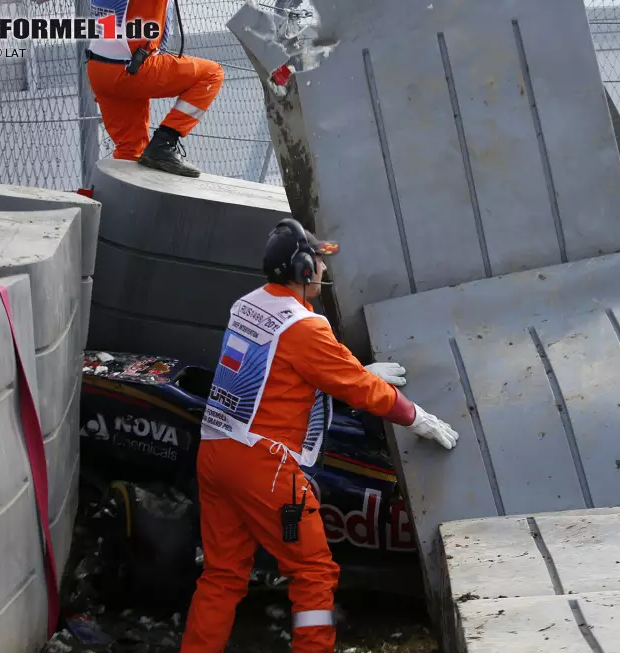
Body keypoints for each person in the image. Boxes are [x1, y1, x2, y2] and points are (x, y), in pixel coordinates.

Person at [180, 218, 459, 653]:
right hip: (266, 470)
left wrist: (352, 371)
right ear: (305, 269)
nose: (326, 272)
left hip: (216, 454)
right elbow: (357, 388)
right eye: (320, 263)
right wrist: (416, 417)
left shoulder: (247, 306)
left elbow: (284, 370)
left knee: (222, 575)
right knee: (312, 574)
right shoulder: (305, 327)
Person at [85, 0, 224, 177]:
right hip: (134, 68)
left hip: (99, 69)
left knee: (130, 151)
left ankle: (123, 200)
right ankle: (164, 142)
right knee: (211, 74)